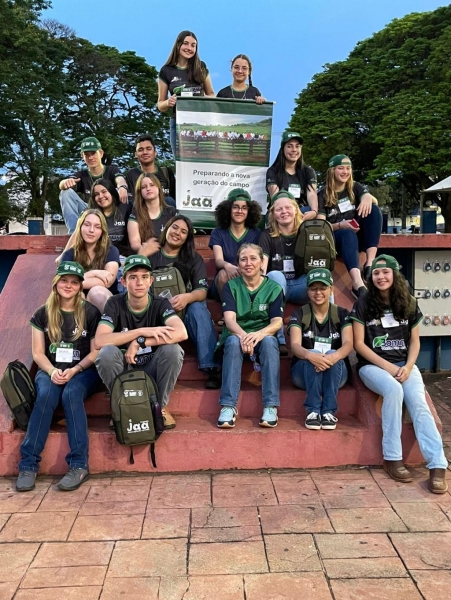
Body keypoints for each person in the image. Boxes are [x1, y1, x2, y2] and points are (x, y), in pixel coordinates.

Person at [351, 254, 448, 493]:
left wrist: (408, 366)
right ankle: (392, 457)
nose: (381, 277)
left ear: (395, 274)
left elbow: (415, 341)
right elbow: (359, 345)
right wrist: (391, 369)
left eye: (385, 272)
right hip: (372, 366)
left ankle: (437, 464)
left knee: (419, 402)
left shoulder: (409, 302)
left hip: (405, 364)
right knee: (393, 391)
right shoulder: (363, 303)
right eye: (376, 273)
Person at [16, 262, 101, 492]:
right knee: (45, 395)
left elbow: (96, 351)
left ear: (80, 286)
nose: (69, 285)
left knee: (72, 394)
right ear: (56, 283)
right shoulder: (42, 313)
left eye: (74, 282)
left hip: (83, 370)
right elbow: (38, 353)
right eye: (64, 280)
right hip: (50, 368)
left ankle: (79, 465)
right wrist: (52, 371)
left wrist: (75, 370)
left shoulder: (91, 312)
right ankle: (27, 464)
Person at [94, 255, 187, 430]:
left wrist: (140, 342)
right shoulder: (114, 303)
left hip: (152, 366)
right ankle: (120, 407)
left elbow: (181, 332)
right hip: (125, 367)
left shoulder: (160, 303)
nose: (139, 282)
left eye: (144, 277)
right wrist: (140, 331)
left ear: (151, 281)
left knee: (173, 351)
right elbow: (100, 340)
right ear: (122, 281)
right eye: (133, 277)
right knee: (105, 354)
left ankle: (159, 406)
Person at [215, 243, 284, 429]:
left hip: (262, 335)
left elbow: (277, 322)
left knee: (270, 342)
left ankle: (270, 406)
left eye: (253, 258)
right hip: (238, 333)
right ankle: (228, 406)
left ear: (262, 262)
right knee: (231, 341)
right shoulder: (231, 286)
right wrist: (244, 336)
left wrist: (258, 335)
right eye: (243, 259)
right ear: (237, 264)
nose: (248, 263)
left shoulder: (274, 288)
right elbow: (229, 320)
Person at [152, 215, 221, 389]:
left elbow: (202, 290)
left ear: (187, 238)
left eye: (183, 232)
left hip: (184, 312)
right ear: (166, 228)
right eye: (175, 227)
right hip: (156, 312)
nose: (177, 233)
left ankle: (211, 365)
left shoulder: (193, 258)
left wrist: (187, 297)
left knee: (198, 307)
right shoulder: (152, 256)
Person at [288, 268, 353, 430]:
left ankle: (328, 411)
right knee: (313, 354)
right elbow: (295, 345)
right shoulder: (299, 313)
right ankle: (313, 411)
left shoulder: (342, 313)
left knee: (332, 353)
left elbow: (348, 344)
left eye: (323, 288)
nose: (318, 293)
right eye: (313, 288)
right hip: (303, 374)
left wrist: (333, 357)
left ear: (331, 289)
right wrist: (311, 356)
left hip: (335, 374)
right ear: (307, 291)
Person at [317, 154, 382, 298]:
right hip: (337, 236)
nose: (345, 172)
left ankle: (370, 264)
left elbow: (370, 199)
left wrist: (366, 197)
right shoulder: (321, 195)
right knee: (348, 233)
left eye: (348, 168)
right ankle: (357, 283)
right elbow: (321, 225)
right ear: (332, 171)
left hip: (357, 232)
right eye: (341, 168)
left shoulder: (355, 187)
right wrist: (341, 225)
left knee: (375, 209)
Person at [260, 191, 308, 355]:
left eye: (288, 207)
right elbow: (262, 266)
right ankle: (279, 338)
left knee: (323, 277)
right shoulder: (267, 235)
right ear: (273, 214)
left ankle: (330, 333)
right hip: (276, 287)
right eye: (279, 209)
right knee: (274, 275)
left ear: (296, 210)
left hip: (300, 285)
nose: (284, 212)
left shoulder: (306, 232)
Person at [157, 31, 214, 156]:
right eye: (186, 44)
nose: (189, 48)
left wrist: (203, 99)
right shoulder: (166, 70)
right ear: (178, 45)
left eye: (193, 45)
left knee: (202, 159)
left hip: (201, 123)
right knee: (181, 163)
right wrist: (168, 102)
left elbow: (211, 94)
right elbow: (160, 104)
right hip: (177, 123)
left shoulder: (201, 67)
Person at [59, 137, 128, 234]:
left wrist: (122, 187)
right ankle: (74, 234)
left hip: (110, 211)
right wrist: (65, 182)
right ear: (82, 156)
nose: (90, 158)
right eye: (86, 155)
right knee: (65, 192)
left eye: (93, 153)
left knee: (120, 191)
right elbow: (64, 184)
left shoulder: (112, 170)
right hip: (90, 212)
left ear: (101, 153)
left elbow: (120, 179)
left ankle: (121, 229)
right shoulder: (81, 175)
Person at [56, 178, 132, 264]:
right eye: (96, 194)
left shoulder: (125, 208)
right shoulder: (91, 212)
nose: (100, 196)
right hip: (96, 254)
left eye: (104, 192)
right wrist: (64, 255)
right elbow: (77, 233)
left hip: (121, 253)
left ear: (111, 192)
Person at [61, 209, 120, 312]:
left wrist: (75, 280)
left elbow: (108, 281)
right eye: (87, 225)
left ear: (102, 231)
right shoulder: (69, 254)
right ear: (80, 227)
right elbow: (63, 284)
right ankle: (79, 328)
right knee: (76, 297)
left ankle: (106, 327)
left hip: (107, 303)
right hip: (79, 298)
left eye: (97, 227)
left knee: (96, 292)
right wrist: (95, 273)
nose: (91, 230)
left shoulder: (111, 251)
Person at [209, 188, 262, 300]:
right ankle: (227, 314)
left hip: (247, 275)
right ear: (228, 209)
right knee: (223, 274)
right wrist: (227, 266)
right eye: (235, 207)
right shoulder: (218, 232)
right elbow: (218, 261)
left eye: (244, 208)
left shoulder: (256, 233)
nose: (239, 211)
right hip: (224, 280)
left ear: (249, 211)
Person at [266, 132, 318, 220]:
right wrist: (292, 212)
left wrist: (314, 211)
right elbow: (276, 197)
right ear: (283, 149)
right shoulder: (273, 171)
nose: (294, 150)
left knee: (308, 210)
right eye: (289, 146)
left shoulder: (308, 171)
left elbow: (312, 194)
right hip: (280, 212)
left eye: (297, 146)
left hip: (302, 211)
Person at [127, 174, 177, 260]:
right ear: (140, 192)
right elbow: (135, 243)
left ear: (159, 188)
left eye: (152, 185)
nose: (148, 189)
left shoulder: (171, 212)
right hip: (146, 256)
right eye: (143, 187)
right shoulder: (136, 214)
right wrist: (147, 249)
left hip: (169, 258)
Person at [125, 134, 176, 207]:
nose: (145, 152)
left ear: (155, 153)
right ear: (136, 154)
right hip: (141, 215)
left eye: (148, 149)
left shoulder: (166, 173)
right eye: (140, 150)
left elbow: (175, 199)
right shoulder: (132, 174)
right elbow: (131, 203)